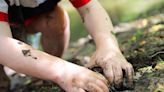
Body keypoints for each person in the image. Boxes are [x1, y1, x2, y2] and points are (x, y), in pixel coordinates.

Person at [0, 0, 134, 92]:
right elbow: (3, 44)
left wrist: (108, 47)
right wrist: (63, 71)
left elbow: (89, 8)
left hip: (26, 18)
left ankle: (42, 76)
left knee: (55, 18)